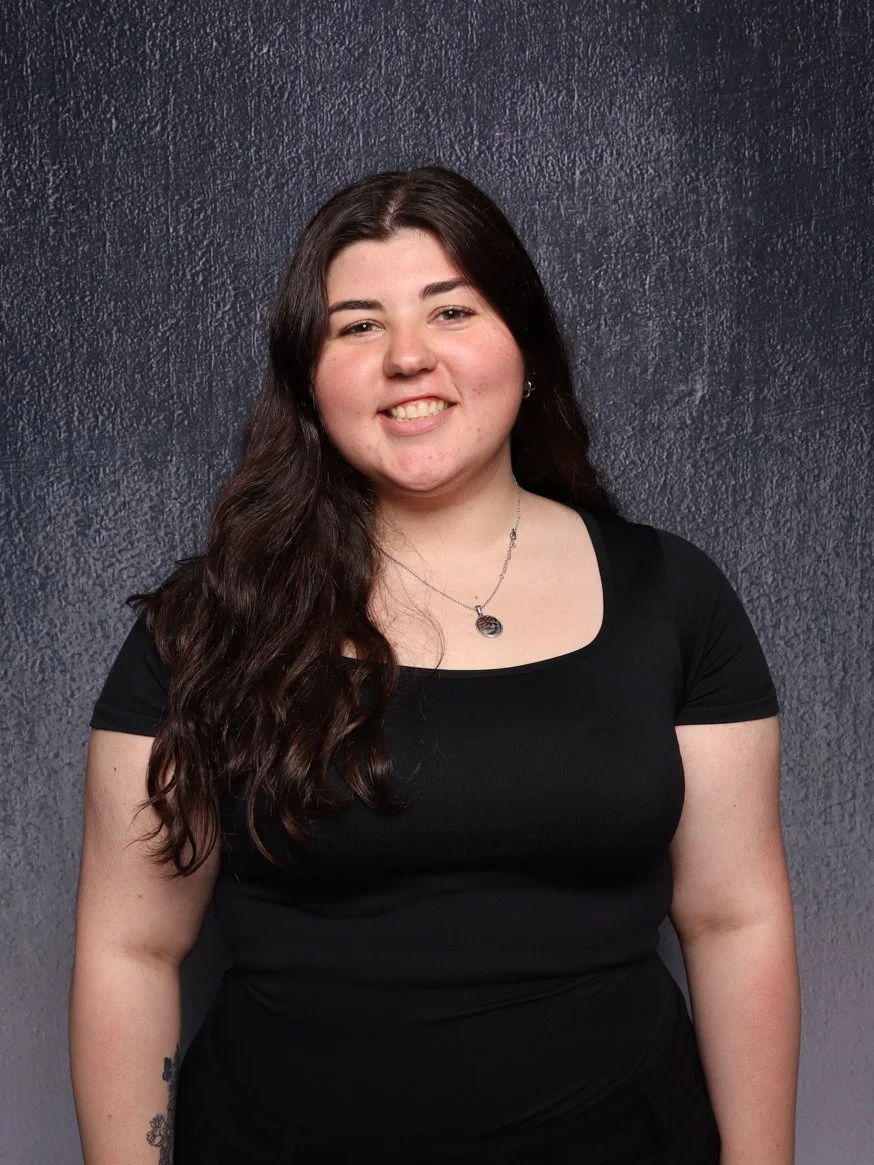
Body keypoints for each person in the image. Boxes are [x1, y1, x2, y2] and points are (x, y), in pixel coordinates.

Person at [70, 165, 800, 1165]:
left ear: (526, 348)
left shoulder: (673, 597)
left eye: (451, 310)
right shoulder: (207, 622)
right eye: (357, 325)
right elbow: (130, 948)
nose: (407, 357)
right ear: (308, 381)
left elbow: (732, 919)